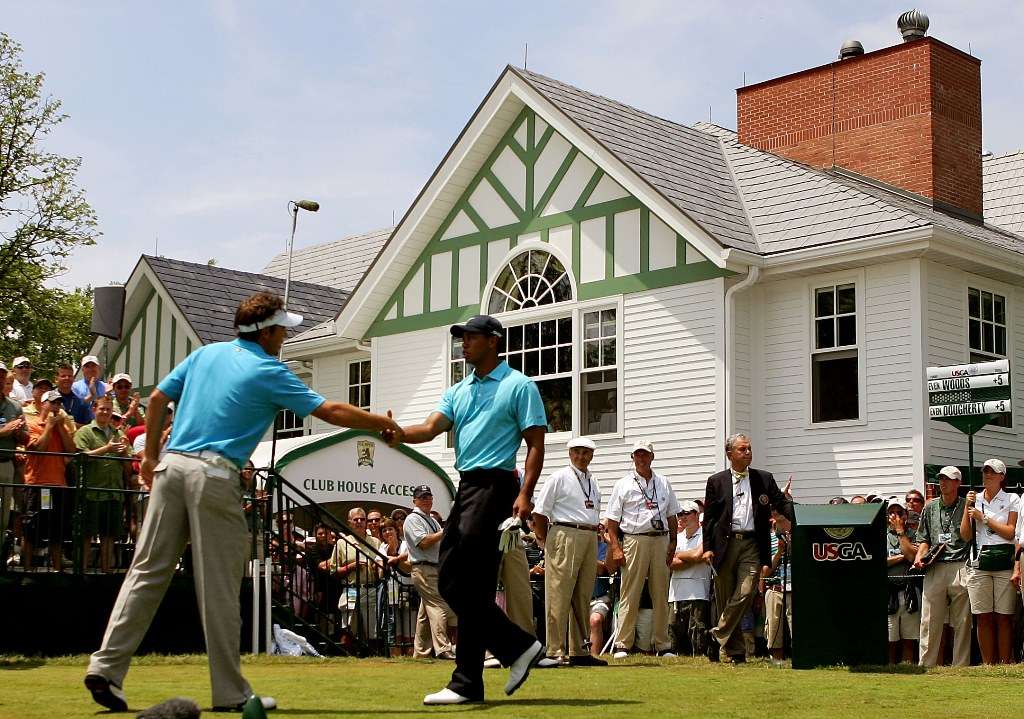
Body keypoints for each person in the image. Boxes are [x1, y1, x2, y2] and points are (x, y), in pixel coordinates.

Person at [84, 291, 400, 713]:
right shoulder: (270, 369)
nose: (286, 334)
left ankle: (105, 667)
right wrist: (378, 421)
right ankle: (229, 691)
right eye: (283, 328)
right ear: (267, 332)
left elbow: (157, 399)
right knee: (219, 588)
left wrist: (149, 458)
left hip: (170, 469)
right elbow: (332, 411)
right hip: (214, 475)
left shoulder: (206, 354)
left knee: (145, 572)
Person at [388, 314, 546, 706]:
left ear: (493, 341)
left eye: (470, 338)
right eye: (462, 338)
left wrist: (525, 494)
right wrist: (397, 433)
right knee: (471, 588)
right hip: (467, 487)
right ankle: (467, 683)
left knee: (453, 582)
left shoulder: (519, 386)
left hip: (497, 486)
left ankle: (518, 646)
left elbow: (536, 445)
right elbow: (428, 428)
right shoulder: (458, 390)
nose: (464, 344)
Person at [702, 433, 793, 663]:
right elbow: (710, 518)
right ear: (730, 454)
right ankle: (735, 652)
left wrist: (800, 512)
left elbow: (781, 504)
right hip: (725, 544)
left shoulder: (764, 478)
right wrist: (707, 547)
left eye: (749, 448)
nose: (748, 452)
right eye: (742, 449)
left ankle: (716, 636)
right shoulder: (716, 481)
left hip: (752, 543)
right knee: (726, 598)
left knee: (745, 592)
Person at [532, 437, 605, 666]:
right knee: (558, 593)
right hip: (565, 531)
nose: (581, 456)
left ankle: (580, 650)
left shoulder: (592, 480)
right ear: (570, 454)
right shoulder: (559, 477)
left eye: (586, 452)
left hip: (589, 534)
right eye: (577, 452)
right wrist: (544, 540)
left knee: (583, 594)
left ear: (591, 455)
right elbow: (540, 512)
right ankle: (555, 650)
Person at [603, 440, 680, 659]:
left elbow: (672, 514)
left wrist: (673, 542)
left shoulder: (664, 482)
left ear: (652, 457)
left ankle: (662, 644)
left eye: (645, 455)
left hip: (660, 539)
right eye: (637, 455)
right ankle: (622, 644)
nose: (641, 459)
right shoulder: (623, 484)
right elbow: (611, 520)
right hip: (634, 539)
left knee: (660, 592)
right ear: (632, 458)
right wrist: (616, 548)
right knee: (630, 591)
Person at [960, 458, 1018, 664]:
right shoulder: (973, 499)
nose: (987, 475)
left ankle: (1003, 664)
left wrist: (984, 518)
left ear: (1002, 476)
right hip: (979, 561)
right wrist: (968, 507)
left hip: (1004, 561)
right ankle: (987, 665)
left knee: (1004, 616)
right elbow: (965, 535)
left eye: (992, 472)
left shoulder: (1012, 498)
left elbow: (1011, 533)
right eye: (985, 471)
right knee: (983, 616)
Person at [913, 466, 971, 667]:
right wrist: (919, 557)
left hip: (960, 565)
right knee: (929, 620)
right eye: (941, 479)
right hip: (935, 567)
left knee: (962, 621)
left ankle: (960, 665)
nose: (943, 482)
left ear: (958, 483)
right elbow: (923, 539)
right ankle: (925, 665)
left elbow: (968, 537)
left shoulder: (966, 505)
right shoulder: (929, 507)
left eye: (948, 479)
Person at [74, 396, 131, 573]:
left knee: (109, 535)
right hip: (91, 492)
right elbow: (81, 458)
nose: (105, 412)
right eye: (102, 409)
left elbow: (128, 465)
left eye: (108, 409)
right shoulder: (85, 432)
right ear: (94, 409)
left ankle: (106, 571)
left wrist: (123, 453)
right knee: (86, 534)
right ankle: (81, 572)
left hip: (113, 492)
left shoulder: (119, 434)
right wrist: (106, 449)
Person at [21, 386, 75, 571]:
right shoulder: (33, 424)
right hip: (38, 485)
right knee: (32, 529)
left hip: (58, 485)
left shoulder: (63, 427)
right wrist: (50, 426)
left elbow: (71, 450)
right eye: (52, 402)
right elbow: (39, 447)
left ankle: (57, 570)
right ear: (43, 404)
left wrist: (59, 427)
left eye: (59, 402)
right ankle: (28, 570)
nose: (56, 406)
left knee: (56, 531)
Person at [404, 486, 457, 660]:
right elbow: (424, 542)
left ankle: (420, 653)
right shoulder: (412, 518)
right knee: (438, 606)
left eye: (429, 496)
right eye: (422, 497)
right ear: (415, 501)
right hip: (424, 567)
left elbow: (441, 543)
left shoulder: (431, 520)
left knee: (425, 613)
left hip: (434, 567)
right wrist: (445, 531)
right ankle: (443, 648)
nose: (427, 500)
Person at [327, 507, 384, 645]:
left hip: (370, 589)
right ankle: (350, 660)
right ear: (349, 522)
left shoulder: (376, 542)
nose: (359, 522)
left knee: (373, 632)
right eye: (355, 519)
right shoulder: (342, 543)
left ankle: (373, 661)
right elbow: (333, 571)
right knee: (348, 629)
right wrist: (350, 567)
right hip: (351, 589)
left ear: (366, 522)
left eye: (362, 519)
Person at [669, 500, 711, 657]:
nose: (682, 517)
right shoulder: (677, 538)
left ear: (697, 514)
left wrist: (679, 556)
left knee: (697, 633)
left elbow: (697, 555)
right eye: (679, 514)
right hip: (676, 593)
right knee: (674, 632)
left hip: (698, 592)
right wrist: (691, 558)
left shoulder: (705, 535)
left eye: (686, 513)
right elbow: (669, 562)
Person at [885, 498, 920, 664]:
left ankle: (908, 669)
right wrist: (902, 556)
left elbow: (913, 557)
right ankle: (890, 669)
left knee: (909, 638)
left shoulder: (914, 534)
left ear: (906, 515)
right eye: (892, 512)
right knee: (890, 639)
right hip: (889, 591)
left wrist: (900, 532)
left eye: (899, 513)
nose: (895, 516)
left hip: (909, 591)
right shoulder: (881, 536)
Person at [762, 509, 793, 663]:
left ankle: (800, 659)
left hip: (794, 590)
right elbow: (765, 571)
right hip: (775, 589)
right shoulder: (768, 540)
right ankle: (777, 660)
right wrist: (780, 551)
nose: (776, 523)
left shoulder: (800, 535)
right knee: (774, 629)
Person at [0, 362, 26, 541]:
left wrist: (18, 433)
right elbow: (6, 429)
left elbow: (26, 438)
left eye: (2, 376)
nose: (0, 380)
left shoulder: (15, 406)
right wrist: (5, 430)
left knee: (3, 518)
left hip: (7, 465)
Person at [588, 523, 615, 659]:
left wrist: (584, 556)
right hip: (577, 598)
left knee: (595, 620)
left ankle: (593, 657)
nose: (597, 529)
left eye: (599, 527)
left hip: (599, 597)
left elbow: (602, 569)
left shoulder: (604, 548)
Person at [72, 355, 107, 421]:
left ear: (99, 368)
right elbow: (75, 407)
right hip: (81, 423)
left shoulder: (106, 387)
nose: (90, 369)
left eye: (93, 366)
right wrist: (91, 395)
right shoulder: (75, 387)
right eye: (87, 366)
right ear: (82, 369)